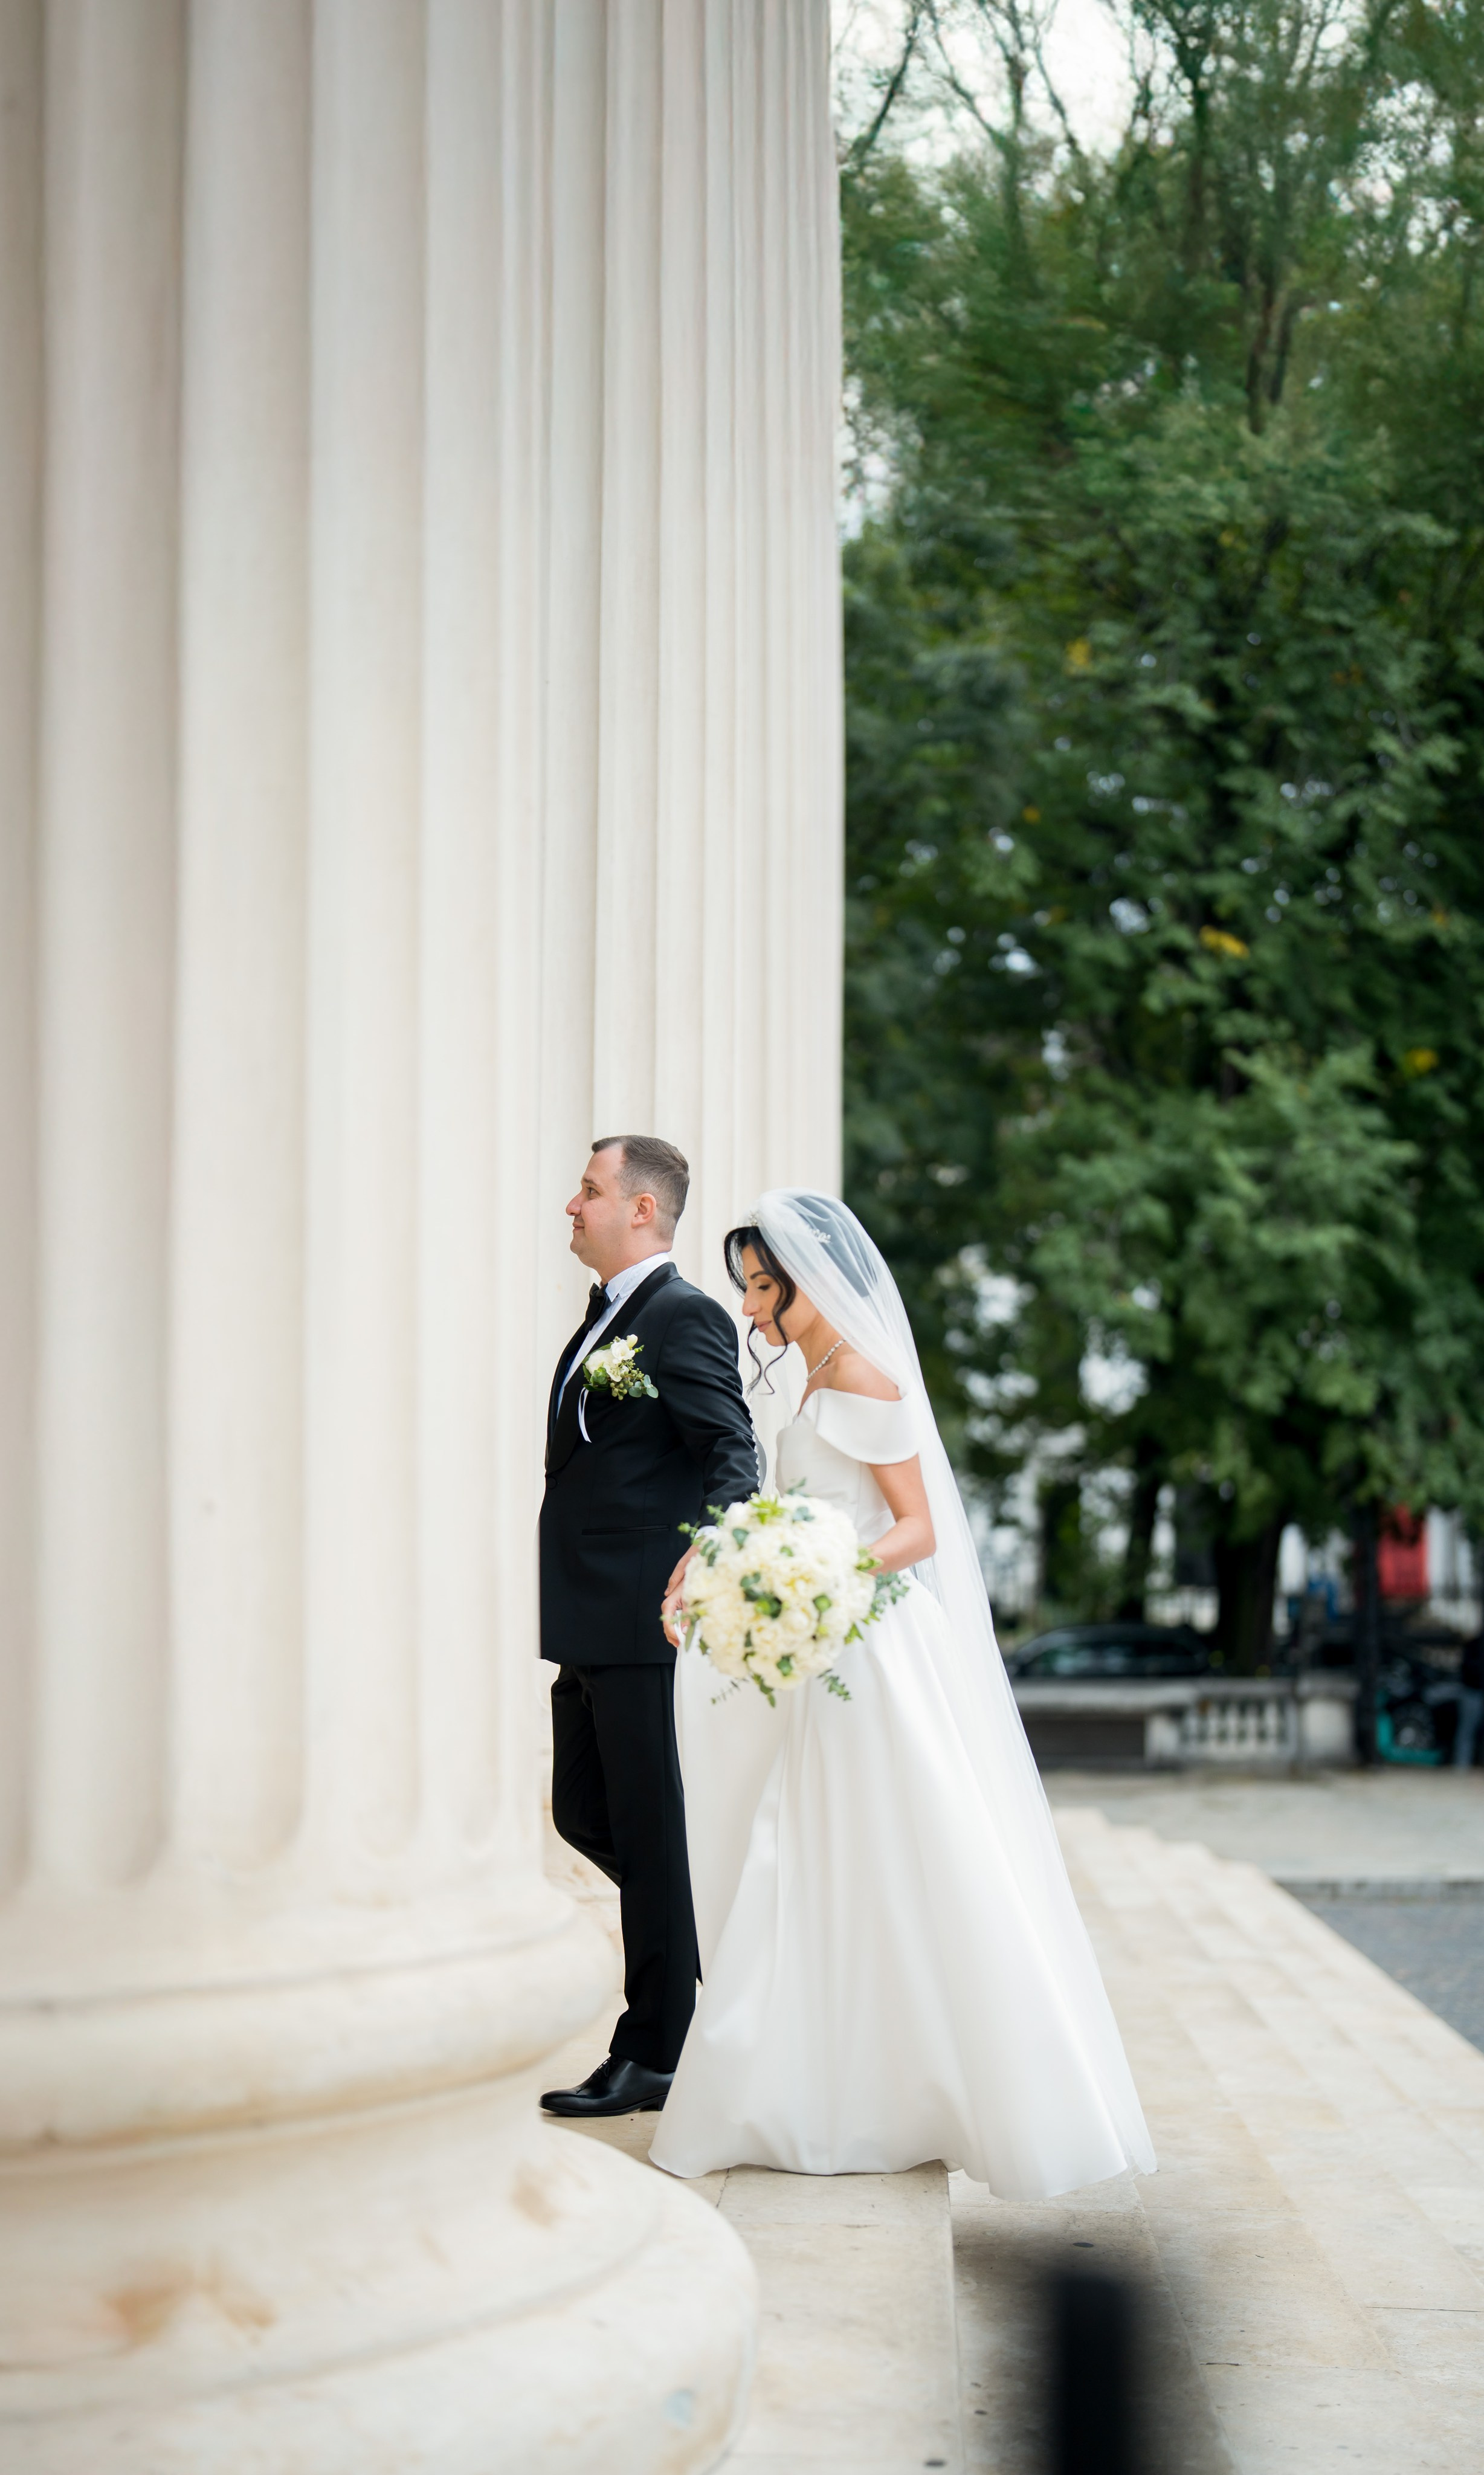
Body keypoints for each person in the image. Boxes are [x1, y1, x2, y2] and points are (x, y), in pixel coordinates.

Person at [649, 1190, 1156, 2195]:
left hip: (870, 1651)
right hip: (823, 1646)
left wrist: (823, 1570)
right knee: (809, 1849)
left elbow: (915, 1529)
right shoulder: (814, 1378)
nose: (750, 1308)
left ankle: (911, 2081)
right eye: (748, 1286)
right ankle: (815, 2075)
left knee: (871, 1848)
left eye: (760, 1287)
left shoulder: (867, 1379)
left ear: (806, 1282)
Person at [538, 1137, 758, 2120]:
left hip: (642, 1617)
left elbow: (731, 1452)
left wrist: (706, 1555)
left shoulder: (684, 1317)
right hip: (586, 1615)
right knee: (586, 1815)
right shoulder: (605, 1318)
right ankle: (707, 1929)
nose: (571, 1205)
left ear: (639, 1209)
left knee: (643, 1828)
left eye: (589, 1190)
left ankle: (654, 2049)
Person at [1455, 1631, 1483, 1768]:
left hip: (1473, 1690)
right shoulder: (1474, 1645)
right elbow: (1465, 1667)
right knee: (1467, 1732)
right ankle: (1462, 1767)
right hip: (1473, 1691)